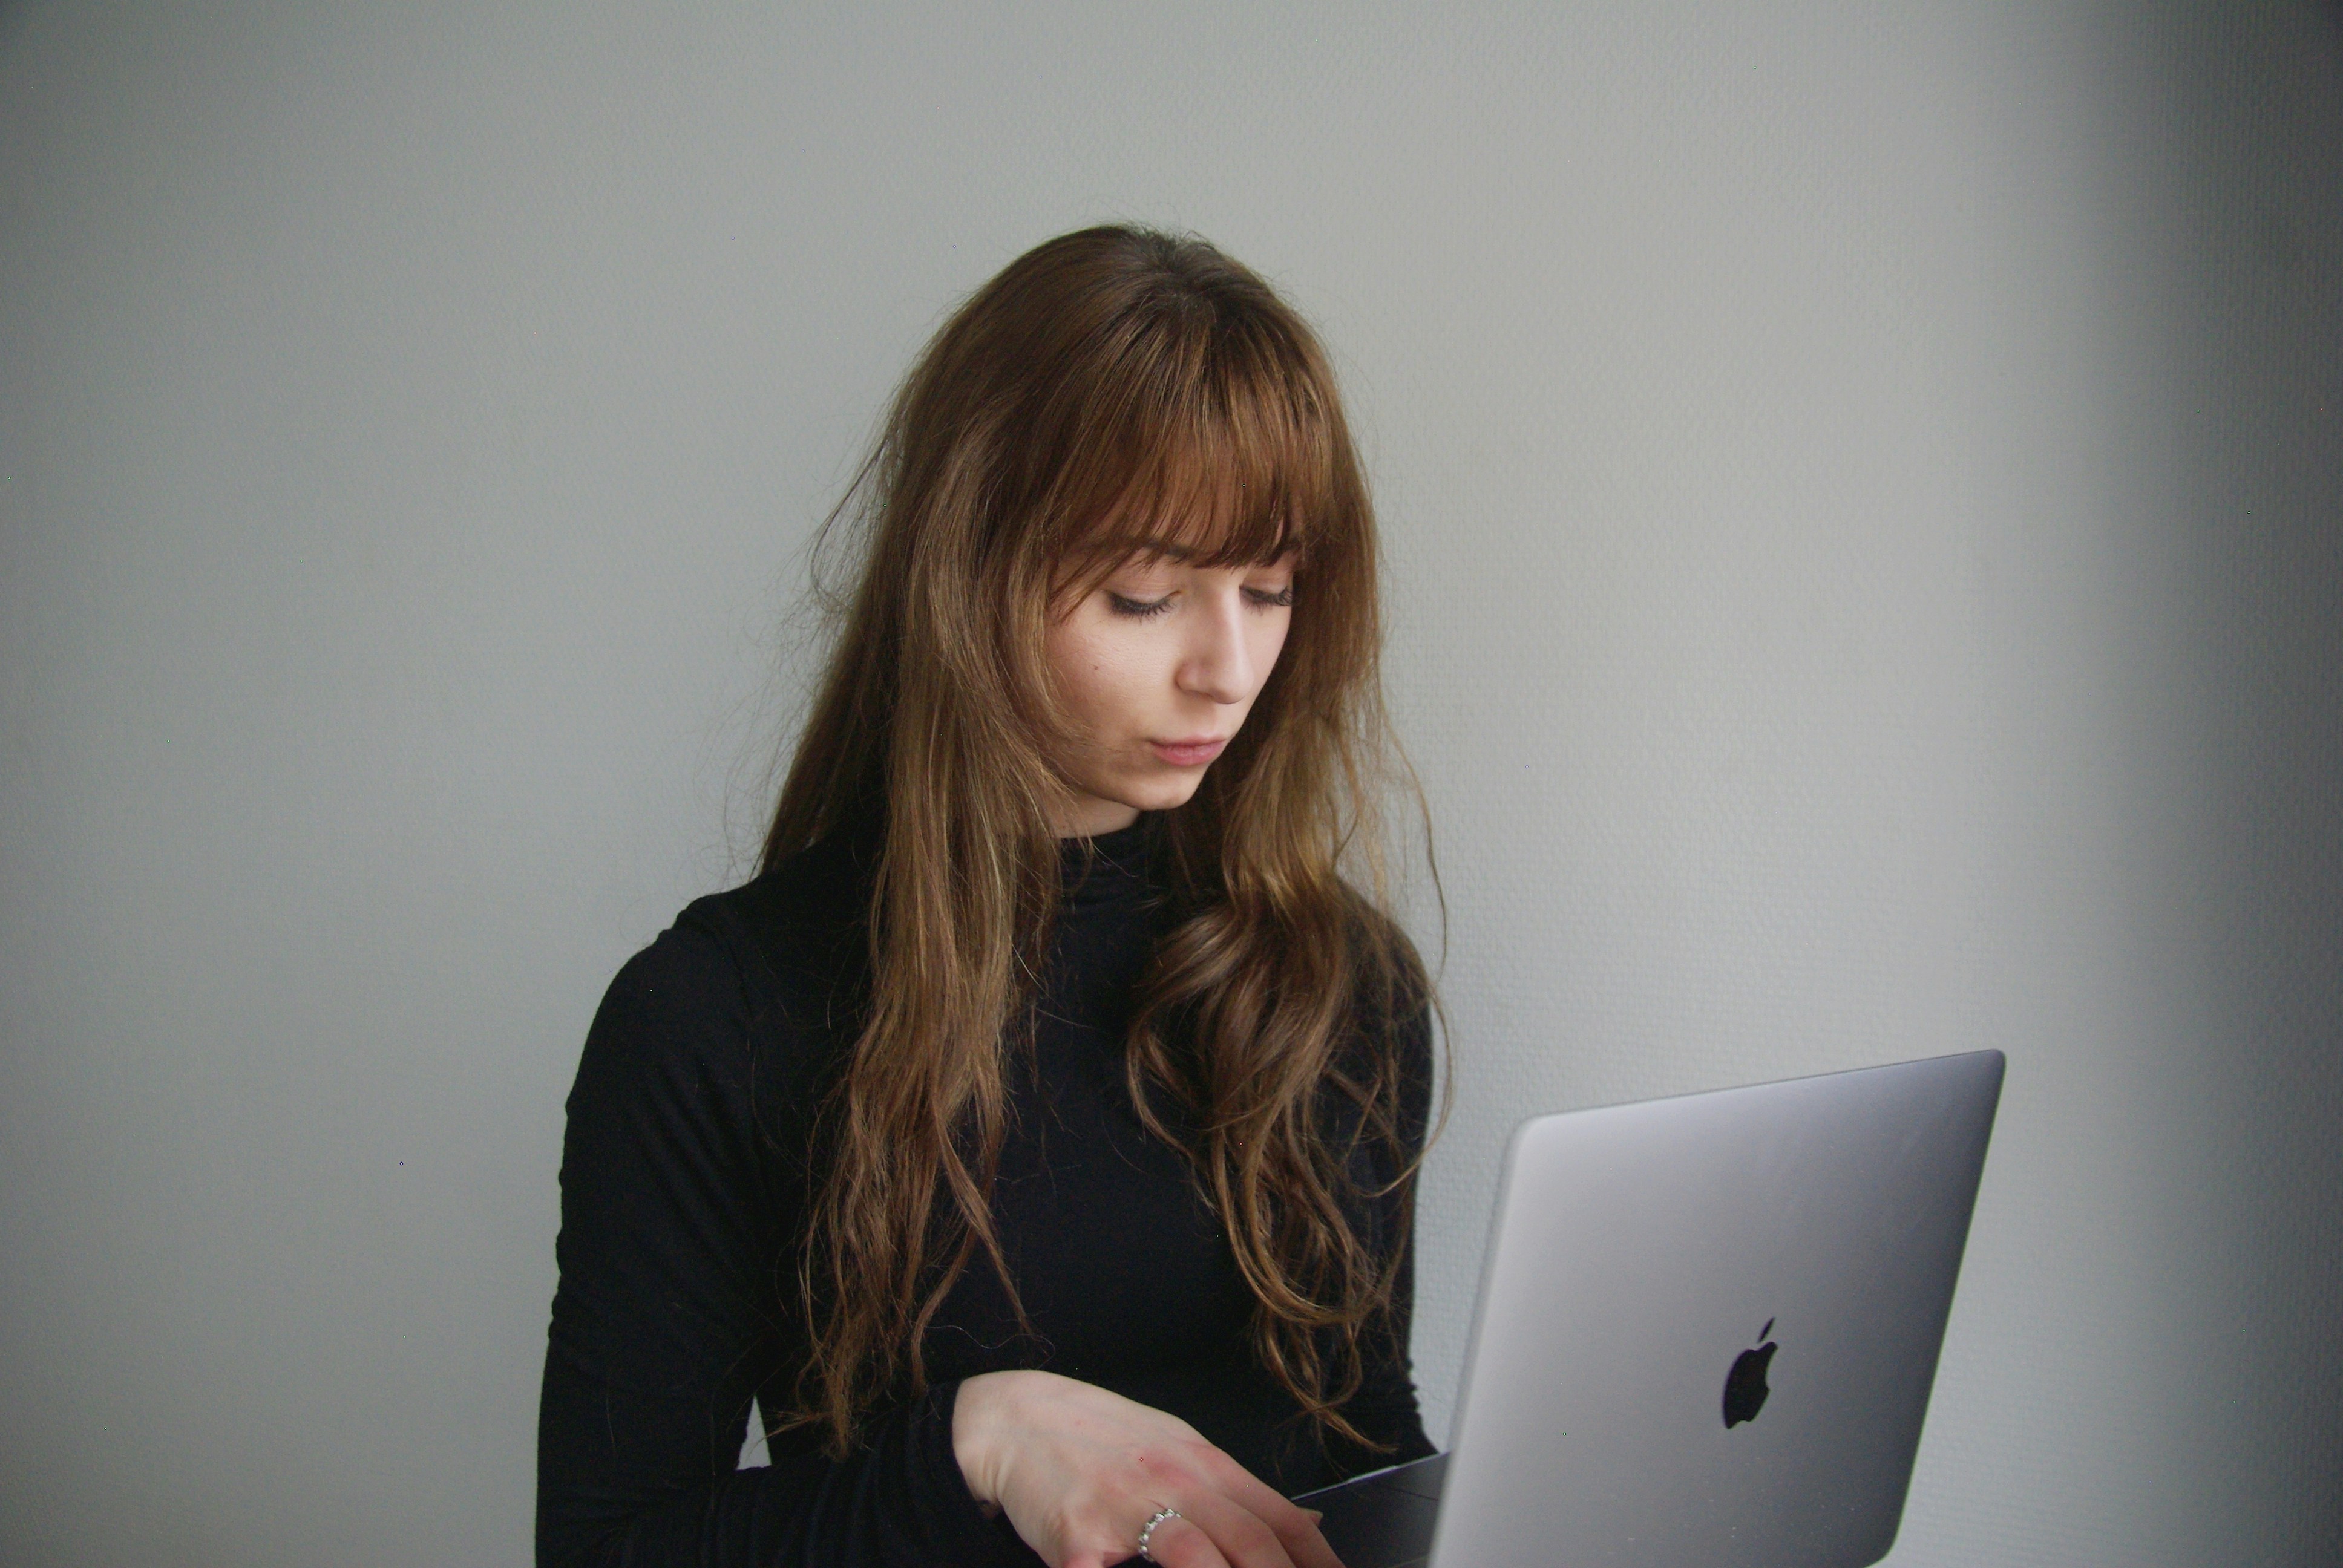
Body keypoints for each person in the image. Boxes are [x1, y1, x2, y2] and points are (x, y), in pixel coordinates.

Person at [536, 225, 1441, 1568]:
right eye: (1145, 595)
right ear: (969, 573)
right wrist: (976, 1445)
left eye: (1271, 585)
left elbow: (1356, 1438)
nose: (1230, 668)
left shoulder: (1336, 984)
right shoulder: (715, 1020)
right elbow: (607, 1549)